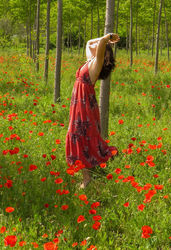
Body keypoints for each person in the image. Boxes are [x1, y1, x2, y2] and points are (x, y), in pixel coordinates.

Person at [66, 33, 120, 188]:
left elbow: (101, 43)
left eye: (100, 46)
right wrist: (104, 40)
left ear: (103, 52)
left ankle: (87, 178)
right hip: (79, 105)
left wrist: (108, 38)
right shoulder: (90, 60)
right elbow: (89, 42)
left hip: (84, 107)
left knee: (80, 137)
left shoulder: (97, 63)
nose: (94, 45)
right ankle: (88, 176)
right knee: (79, 137)